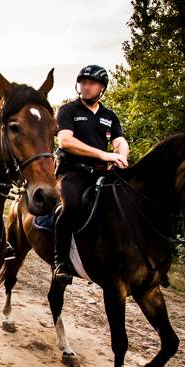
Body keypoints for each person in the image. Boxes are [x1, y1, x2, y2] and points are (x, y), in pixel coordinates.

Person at [52, 64, 129, 285]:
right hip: (72, 172)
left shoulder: (109, 116)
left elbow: (120, 142)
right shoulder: (68, 110)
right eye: (83, 82)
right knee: (72, 205)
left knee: (126, 202)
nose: (86, 87)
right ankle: (61, 262)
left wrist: (120, 156)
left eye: (91, 83)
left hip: (101, 174)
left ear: (102, 88)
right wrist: (105, 155)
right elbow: (65, 140)